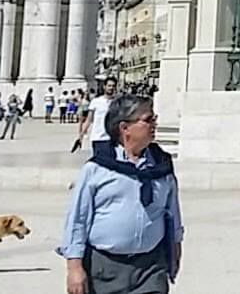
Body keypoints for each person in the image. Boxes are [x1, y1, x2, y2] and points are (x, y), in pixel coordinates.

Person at [60, 95, 183, 294]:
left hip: (151, 267)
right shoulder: (97, 169)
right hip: (105, 268)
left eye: (154, 119)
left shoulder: (162, 166)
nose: (154, 124)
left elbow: (172, 212)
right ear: (125, 128)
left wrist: (175, 247)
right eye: (148, 120)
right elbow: (78, 220)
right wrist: (74, 267)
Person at [77, 79, 118, 160]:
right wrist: (81, 136)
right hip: (98, 137)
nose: (111, 88)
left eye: (113, 86)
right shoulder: (96, 101)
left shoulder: (117, 102)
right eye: (109, 86)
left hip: (112, 138)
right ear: (104, 87)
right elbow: (89, 120)